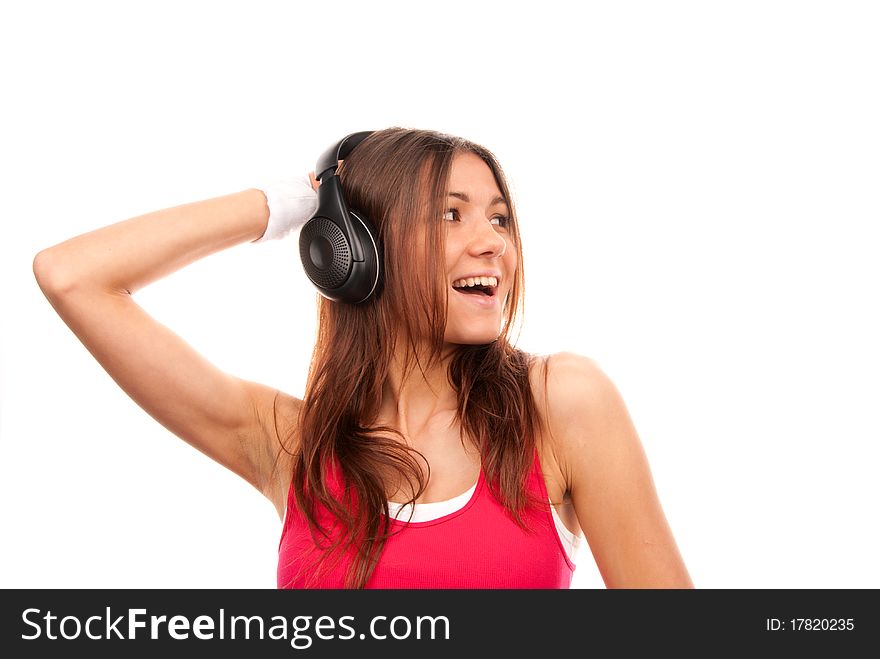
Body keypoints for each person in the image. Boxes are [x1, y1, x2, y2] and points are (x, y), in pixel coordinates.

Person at [32, 127, 693, 589]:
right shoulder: (293, 445)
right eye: (449, 214)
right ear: (358, 253)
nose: (492, 243)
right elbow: (71, 276)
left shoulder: (560, 402)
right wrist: (283, 206)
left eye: (498, 218)